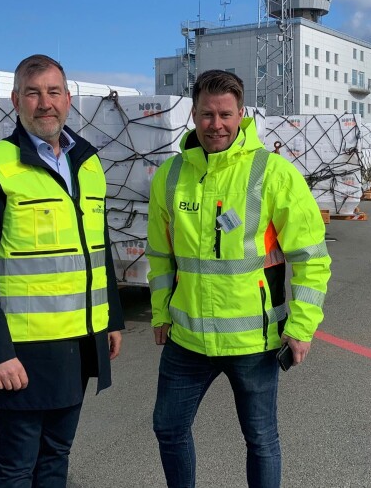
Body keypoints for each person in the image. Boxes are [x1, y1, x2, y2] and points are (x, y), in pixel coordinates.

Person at [146, 70, 331, 488]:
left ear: (241, 113)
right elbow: (160, 255)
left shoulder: (273, 172)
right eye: (207, 115)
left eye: (225, 114)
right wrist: (160, 315)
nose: (217, 125)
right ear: (192, 114)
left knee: (261, 439)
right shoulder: (170, 176)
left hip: (253, 340)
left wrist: (301, 328)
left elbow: (312, 258)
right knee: (168, 428)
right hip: (188, 338)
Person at [0, 54, 124, 487]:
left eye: (53, 92)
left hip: (80, 339)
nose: (44, 103)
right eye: (33, 93)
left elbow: (99, 250)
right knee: (18, 462)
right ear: (16, 100)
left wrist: (112, 320)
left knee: (57, 454)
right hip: (23, 349)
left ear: (68, 99)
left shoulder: (87, 162)